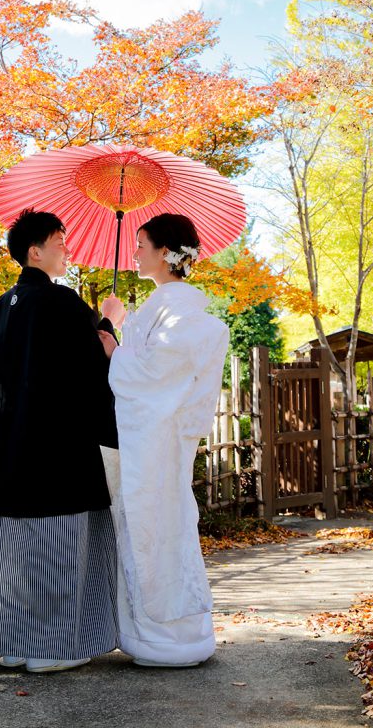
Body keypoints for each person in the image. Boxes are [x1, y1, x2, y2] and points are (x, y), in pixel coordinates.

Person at [0, 209, 119, 673]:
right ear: (35, 251)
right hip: (56, 457)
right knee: (56, 549)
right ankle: (48, 648)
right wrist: (107, 324)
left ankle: (16, 643)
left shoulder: (1, 306)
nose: (68, 248)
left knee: (16, 555)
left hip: (10, 459)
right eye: (60, 241)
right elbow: (93, 371)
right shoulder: (62, 304)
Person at [99, 212, 230, 668]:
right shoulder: (166, 308)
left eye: (141, 244)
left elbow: (156, 373)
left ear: (166, 253)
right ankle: (150, 633)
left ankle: (171, 637)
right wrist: (118, 323)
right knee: (146, 527)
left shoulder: (184, 314)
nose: (134, 252)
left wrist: (114, 350)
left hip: (159, 443)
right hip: (148, 440)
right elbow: (152, 360)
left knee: (160, 526)